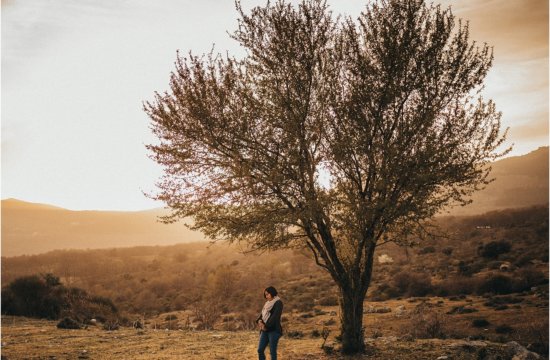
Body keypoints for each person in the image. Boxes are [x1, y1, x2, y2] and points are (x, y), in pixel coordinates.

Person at [256, 286, 283, 360]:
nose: (266, 296)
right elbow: (262, 315)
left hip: (274, 330)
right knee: (260, 350)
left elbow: (275, 317)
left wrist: (266, 326)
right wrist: (259, 320)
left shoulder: (278, 303)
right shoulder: (267, 304)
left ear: (272, 293)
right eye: (265, 295)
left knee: (272, 352)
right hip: (265, 330)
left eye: (267, 294)